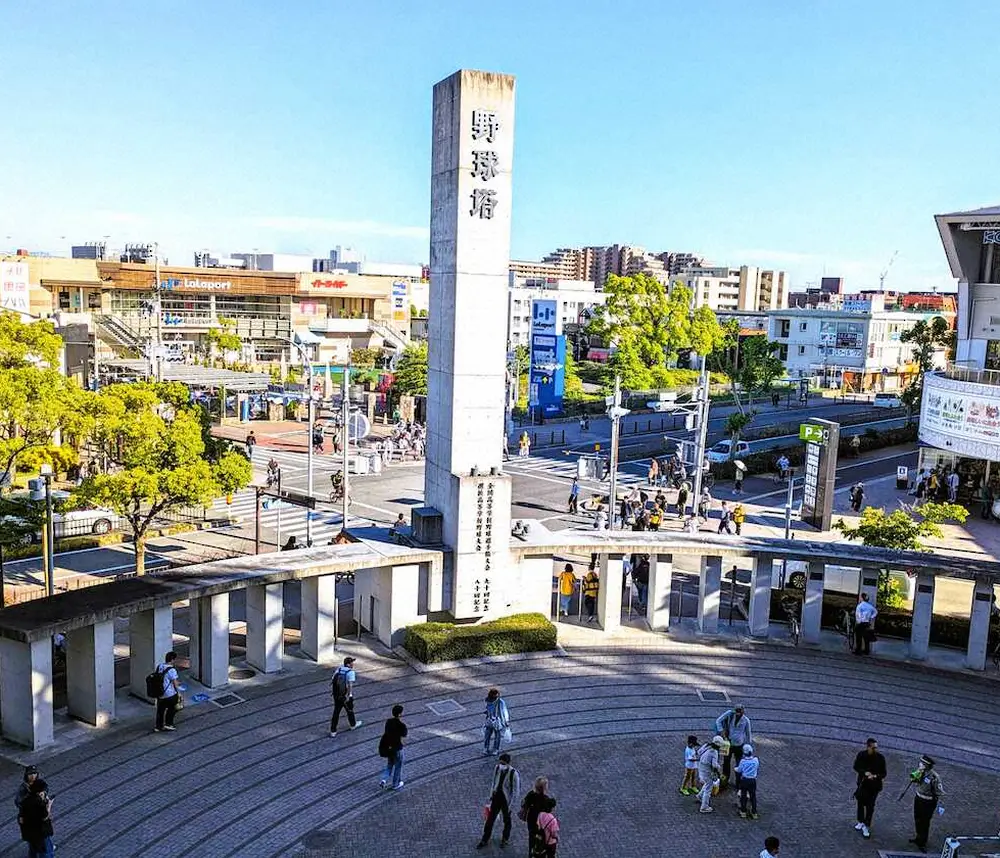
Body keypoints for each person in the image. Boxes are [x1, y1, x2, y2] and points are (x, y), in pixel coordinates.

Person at [477, 752, 520, 850]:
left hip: (506, 800)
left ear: (508, 764)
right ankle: (485, 839)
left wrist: (511, 806)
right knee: (490, 819)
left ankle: (505, 839)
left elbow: (516, 791)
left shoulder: (514, 774)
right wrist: (491, 794)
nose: (501, 765)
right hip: (496, 797)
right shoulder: (497, 768)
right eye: (500, 763)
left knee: (507, 820)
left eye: (503, 764)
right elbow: (494, 781)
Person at [909, 754, 944, 852]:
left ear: (927, 765)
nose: (920, 764)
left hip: (928, 802)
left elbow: (939, 792)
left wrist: (940, 806)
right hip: (919, 798)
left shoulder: (934, 777)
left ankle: (922, 842)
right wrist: (916, 776)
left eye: (922, 763)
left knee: (925, 822)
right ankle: (918, 837)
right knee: (917, 818)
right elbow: (914, 781)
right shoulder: (921, 772)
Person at [853, 737, 886, 839]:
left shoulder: (881, 758)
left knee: (870, 806)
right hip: (863, 784)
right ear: (868, 747)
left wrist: (875, 776)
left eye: (876, 748)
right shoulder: (861, 755)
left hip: (874, 787)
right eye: (873, 748)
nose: (876, 750)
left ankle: (866, 825)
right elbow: (856, 766)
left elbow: (884, 773)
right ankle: (860, 821)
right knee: (860, 803)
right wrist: (864, 773)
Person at [715, 704, 753, 788]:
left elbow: (748, 734)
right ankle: (725, 781)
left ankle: (738, 783)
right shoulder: (729, 714)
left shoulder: (746, 720)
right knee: (726, 763)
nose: (738, 714)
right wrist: (722, 732)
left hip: (739, 745)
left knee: (739, 764)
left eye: (740, 712)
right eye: (737, 712)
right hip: (728, 743)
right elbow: (718, 721)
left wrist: (748, 747)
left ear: (743, 712)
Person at [18, 779, 54, 858]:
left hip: (30, 833)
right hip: (41, 832)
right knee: (45, 852)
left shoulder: (25, 801)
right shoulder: (39, 803)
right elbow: (44, 817)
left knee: (33, 851)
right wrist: (48, 806)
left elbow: (21, 818)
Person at [329, 656, 363, 737]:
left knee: (336, 712)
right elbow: (350, 685)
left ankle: (333, 731)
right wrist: (350, 695)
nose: (353, 664)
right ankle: (353, 725)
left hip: (336, 695)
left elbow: (333, 679)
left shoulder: (339, 669)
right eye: (352, 662)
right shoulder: (351, 672)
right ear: (348, 664)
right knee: (350, 710)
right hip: (344, 696)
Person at [378, 704, 407, 790]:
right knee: (398, 766)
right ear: (399, 714)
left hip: (389, 748)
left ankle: (384, 779)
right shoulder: (401, 725)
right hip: (397, 749)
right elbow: (404, 734)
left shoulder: (388, 722)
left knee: (389, 765)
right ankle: (396, 784)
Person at [520, 777, 551, 853]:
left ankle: (531, 852)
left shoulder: (531, 794)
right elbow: (548, 811)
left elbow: (524, 803)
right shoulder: (546, 799)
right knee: (541, 839)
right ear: (544, 788)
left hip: (531, 820)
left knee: (531, 837)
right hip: (541, 823)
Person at [154, 651, 181, 733]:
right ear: (172, 660)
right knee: (172, 708)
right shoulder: (172, 670)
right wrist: (179, 692)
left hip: (160, 693)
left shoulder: (160, 666)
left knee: (160, 710)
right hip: (170, 694)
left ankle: (158, 726)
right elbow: (175, 683)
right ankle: (168, 724)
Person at [695, 736, 724, 813]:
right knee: (708, 788)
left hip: (701, 766)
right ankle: (704, 807)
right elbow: (714, 765)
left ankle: (700, 796)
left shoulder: (706, 745)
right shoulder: (714, 752)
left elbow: (698, 752)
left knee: (707, 783)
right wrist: (719, 767)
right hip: (707, 770)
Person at [483, 688, 511, 756]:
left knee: (489, 735)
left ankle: (488, 748)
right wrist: (506, 721)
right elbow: (504, 711)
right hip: (495, 721)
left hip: (493, 720)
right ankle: (494, 749)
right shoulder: (499, 701)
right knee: (495, 736)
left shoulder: (489, 700)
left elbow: (504, 711)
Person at [735, 744, 760, 819]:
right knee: (753, 796)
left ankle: (743, 812)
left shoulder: (743, 761)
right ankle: (754, 812)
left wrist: (735, 768)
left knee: (743, 795)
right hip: (753, 780)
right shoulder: (756, 760)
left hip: (744, 780)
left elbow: (739, 770)